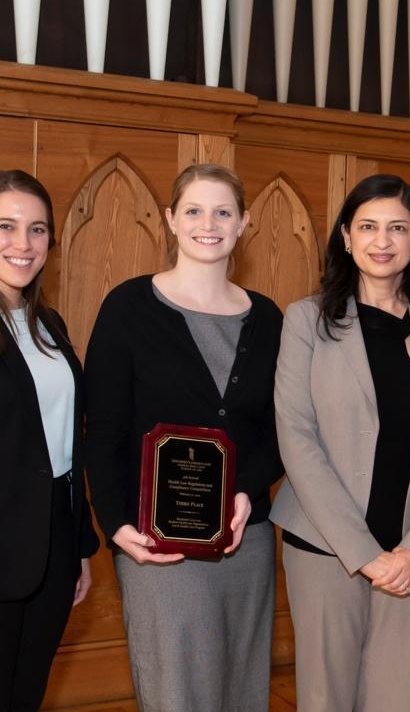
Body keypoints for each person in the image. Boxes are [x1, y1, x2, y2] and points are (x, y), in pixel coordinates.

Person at [84, 164, 283, 712]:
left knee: (243, 691)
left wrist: (245, 490)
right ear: (171, 220)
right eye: (193, 210)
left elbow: (277, 431)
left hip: (247, 536)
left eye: (223, 211)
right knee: (178, 696)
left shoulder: (267, 318)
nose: (208, 224)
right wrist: (116, 523)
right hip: (157, 546)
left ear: (244, 222)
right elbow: (102, 431)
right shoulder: (127, 308)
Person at [270, 173, 410, 712]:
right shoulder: (306, 319)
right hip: (324, 546)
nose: (383, 241)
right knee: (325, 698)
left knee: (389, 698)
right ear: (346, 237)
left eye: (397, 228)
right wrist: (363, 554)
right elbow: (296, 436)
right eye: (369, 226)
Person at [0, 170, 99, 711]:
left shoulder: (50, 325)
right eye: (6, 226)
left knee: (26, 696)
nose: (23, 244)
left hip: (52, 548)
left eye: (37, 229)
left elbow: (64, 444)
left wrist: (78, 546)